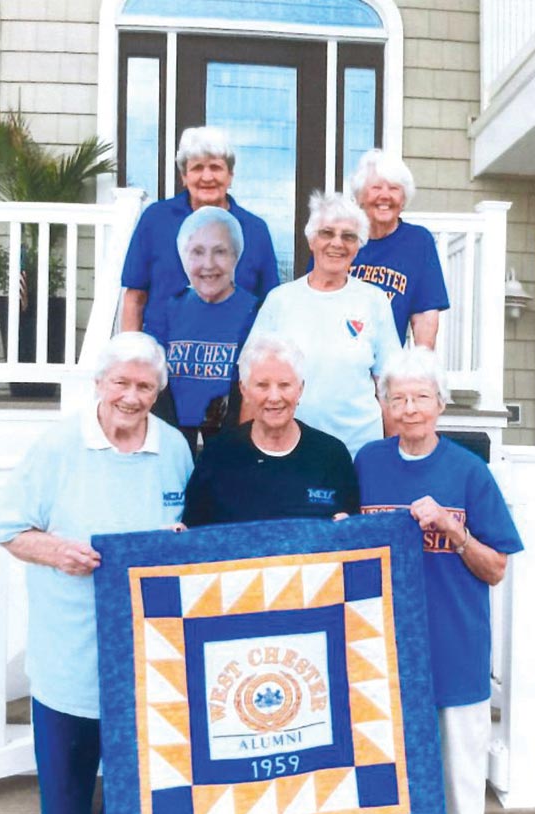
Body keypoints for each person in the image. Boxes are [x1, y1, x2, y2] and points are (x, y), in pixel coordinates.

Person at [0, 332, 193, 814]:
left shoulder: (173, 448)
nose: (131, 396)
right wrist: (58, 551)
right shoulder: (58, 445)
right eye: (120, 382)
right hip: (68, 666)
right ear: (99, 383)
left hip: (150, 671)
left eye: (144, 386)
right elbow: (8, 528)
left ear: (158, 391)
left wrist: (181, 543)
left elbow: (189, 529)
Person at [354, 346, 523, 814]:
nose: (409, 409)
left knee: (460, 796)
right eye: (398, 398)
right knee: (391, 794)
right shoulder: (367, 463)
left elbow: (495, 569)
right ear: (384, 405)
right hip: (381, 660)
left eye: (421, 397)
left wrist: (453, 528)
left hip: (455, 656)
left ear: (441, 404)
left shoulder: (469, 471)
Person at [246, 191, 401, 458]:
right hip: (291, 451)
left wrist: (396, 460)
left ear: (359, 245)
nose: (337, 243)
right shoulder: (280, 301)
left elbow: (391, 388)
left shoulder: (374, 301)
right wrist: (249, 453)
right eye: (327, 233)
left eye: (348, 236)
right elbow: (250, 381)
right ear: (311, 240)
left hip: (358, 452)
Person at [121, 125, 279, 340]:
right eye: (197, 168)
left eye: (215, 167)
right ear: (184, 176)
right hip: (163, 361)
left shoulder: (255, 229)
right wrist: (131, 353)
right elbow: (135, 297)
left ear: (230, 175)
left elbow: (269, 307)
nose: (207, 177)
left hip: (233, 364)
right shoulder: (156, 219)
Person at [183, 333, 359, 526]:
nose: (274, 397)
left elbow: (353, 537)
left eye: (284, 385)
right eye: (262, 385)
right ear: (244, 390)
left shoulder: (332, 456)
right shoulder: (217, 456)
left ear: (300, 389)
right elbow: (194, 536)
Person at [153, 206, 258, 457]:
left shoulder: (255, 311)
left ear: (236, 256)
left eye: (220, 252)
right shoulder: (170, 308)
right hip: (173, 437)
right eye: (197, 252)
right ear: (183, 257)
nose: (208, 264)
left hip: (230, 440)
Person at [349, 148, 450, 348]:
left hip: (388, 365)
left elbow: (424, 316)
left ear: (403, 200)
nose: (385, 195)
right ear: (360, 197)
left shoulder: (417, 242)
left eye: (394, 189)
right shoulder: (340, 238)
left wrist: (421, 368)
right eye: (376, 187)